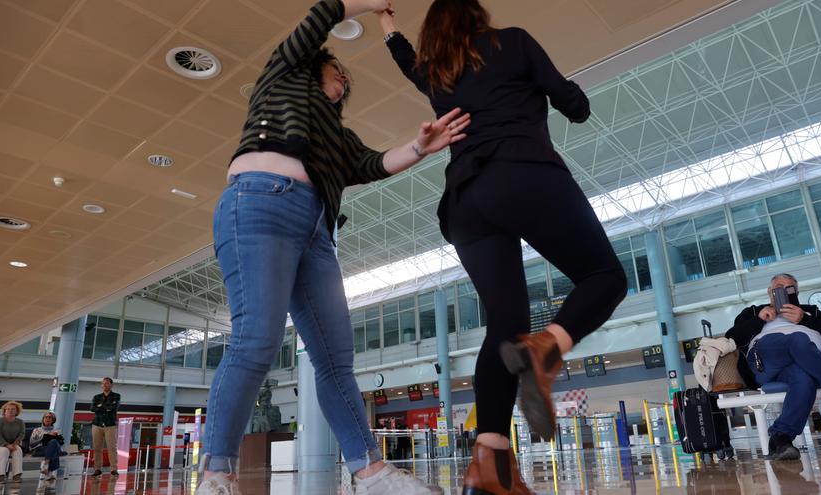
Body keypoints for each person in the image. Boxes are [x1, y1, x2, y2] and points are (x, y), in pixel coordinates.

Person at [197, 0, 469, 493]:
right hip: (258, 204)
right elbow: (317, 18)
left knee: (335, 358)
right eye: (336, 69)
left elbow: (371, 163)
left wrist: (421, 146)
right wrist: (368, 6)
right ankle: (217, 472)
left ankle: (369, 472)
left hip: (316, 231)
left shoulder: (338, 137)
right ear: (312, 66)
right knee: (256, 339)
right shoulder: (279, 78)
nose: (343, 78)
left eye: (346, 78)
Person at [379, 2, 627, 492]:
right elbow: (572, 104)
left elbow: (406, 61)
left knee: (505, 325)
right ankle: (548, 348)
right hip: (523, 171)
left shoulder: (435, 73)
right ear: (478, 15)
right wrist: (572, 99)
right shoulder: (511, 41)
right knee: (605, 277)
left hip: (466, 201)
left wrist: (385, 20)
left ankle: (489, 468)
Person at [725, 273, 821, 460]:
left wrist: (804, 319)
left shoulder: (810, 311)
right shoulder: (753, 312)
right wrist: (759, 319)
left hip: (805, 366)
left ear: (796, 292)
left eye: (789, 288)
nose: (784, 290)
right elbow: (732, 337)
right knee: (797, 338)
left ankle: (780, 439)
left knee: (803, 379)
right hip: (764, 362)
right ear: (769, 292)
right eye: (778, 287)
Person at [91, 377, 120, 476]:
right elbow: (92, 408)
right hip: (97, 424)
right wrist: (105, 407)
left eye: (107, 383)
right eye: (103, 383)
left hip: (110, 425)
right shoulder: (96, 397)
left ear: (111, 385)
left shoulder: (116, 396)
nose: (104, 385)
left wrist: (100, 406)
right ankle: (97, 469)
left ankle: (113, 469)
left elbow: (113, 408)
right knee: (97, 448)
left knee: (112, 447)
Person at [30, 412, 64, 481]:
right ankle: (49, 472)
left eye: (50, 417)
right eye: (46, 417)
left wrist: (56, 437)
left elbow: (61, 444)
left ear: (53, 420)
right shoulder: (37, 430)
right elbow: (32, 443)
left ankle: (45, 466)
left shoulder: (56, 430)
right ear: (43, 419)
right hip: (38, 449)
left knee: (53, 443)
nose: (47, 418)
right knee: (54, 448)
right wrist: (45, 437)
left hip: (50, 449)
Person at [0, 401, 25, 483]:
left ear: (17, 411)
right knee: (4, 451)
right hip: (0, 444)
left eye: (13, 409)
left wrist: (14, 444)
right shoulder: (0, 421)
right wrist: (6, 445)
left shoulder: (20, 422)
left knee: (18, 450)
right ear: (4, 411)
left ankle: (16, 475)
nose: (10, 411)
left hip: (13, 444)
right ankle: (0, 475)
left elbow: (21, 434)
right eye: (8, 409)